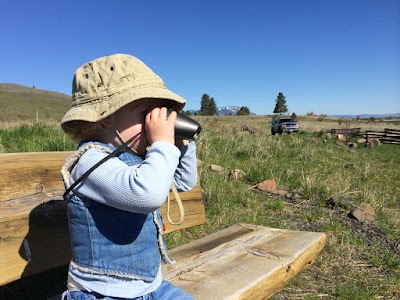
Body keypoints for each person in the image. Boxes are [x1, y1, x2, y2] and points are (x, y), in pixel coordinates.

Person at [60, 54, 197, 299]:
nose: (154, 122)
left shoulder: (139, 155)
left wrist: (181, 144)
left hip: (151, 286)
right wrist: (163, 146)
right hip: (102, 292)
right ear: (104, 118)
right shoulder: (89, 163)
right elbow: (148, 195)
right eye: (146, 113)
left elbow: (184, 182)